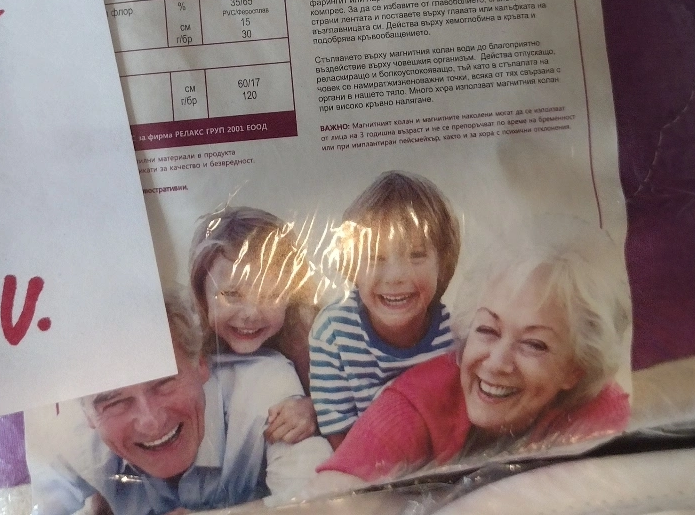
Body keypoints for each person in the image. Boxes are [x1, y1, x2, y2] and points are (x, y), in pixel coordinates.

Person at [310, 233, 631, 488]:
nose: (496, 363)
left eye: (534, 344)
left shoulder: (598, 407)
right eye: (487, 330)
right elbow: (331, 497)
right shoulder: (417, 403)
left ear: (574, 370)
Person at [31, 294, 333, 515]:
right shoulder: (62, 435)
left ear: (200, 364)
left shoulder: (265, 387)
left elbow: (322, 507)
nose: (150, 421)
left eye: (164, 383)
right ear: (85, 411)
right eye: (115, 402)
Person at [309, 170, 461, 446]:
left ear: (443, 262)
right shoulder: (333, 333)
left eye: (416, 255)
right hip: (361, 459)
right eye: (375, 258)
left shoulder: (456, 335)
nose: (395, 276)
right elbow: (339, 439)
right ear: (351, 264)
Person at [189, 206, 320, 444]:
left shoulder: (308, 335)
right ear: (201, 294)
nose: (251, 314)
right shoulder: (186, 340)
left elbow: (353, 402)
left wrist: (313, 408)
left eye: (270, 295)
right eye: (232, 294)